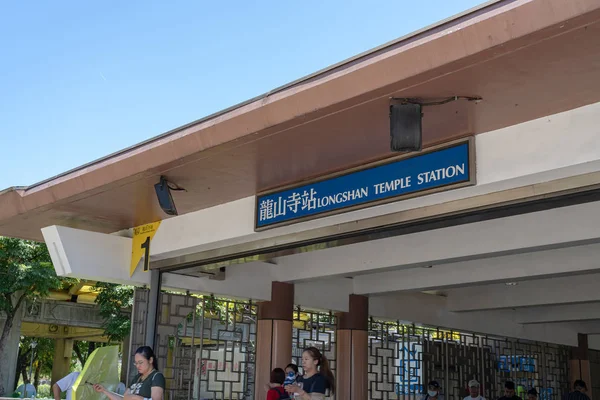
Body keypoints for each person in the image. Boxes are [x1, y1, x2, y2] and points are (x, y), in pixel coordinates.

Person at [94, 346, 165, 400]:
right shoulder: (137, 378)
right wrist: (104, 390)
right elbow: (124, 398)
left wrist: (135, 397)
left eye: (140, 362)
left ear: (150, 360)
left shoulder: (156, 376)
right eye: (136, 363)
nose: (138, 366)